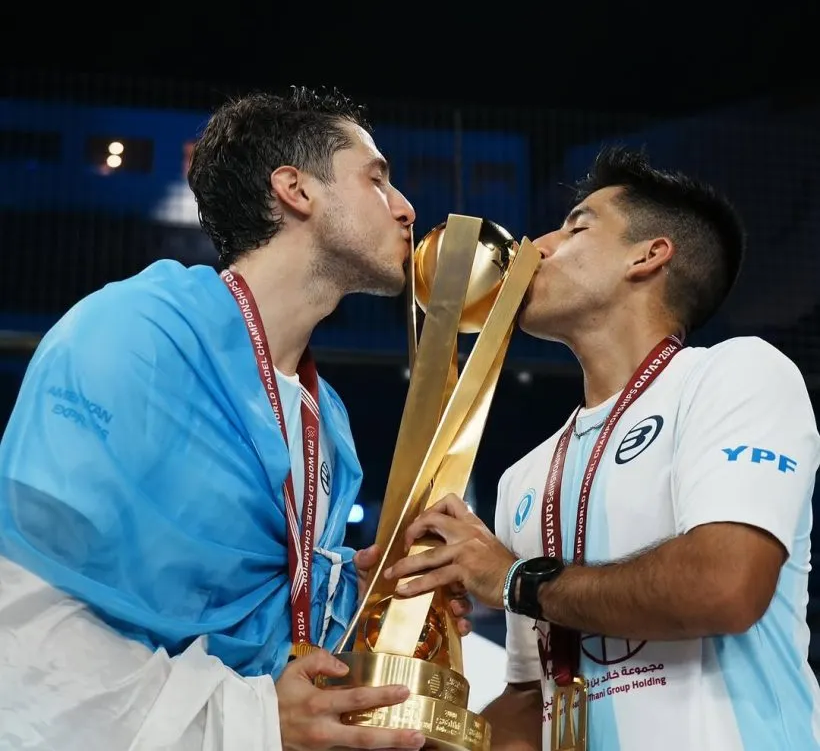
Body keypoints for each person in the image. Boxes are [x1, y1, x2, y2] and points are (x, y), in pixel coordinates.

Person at [0, 85, 469, 751]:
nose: (407, 209)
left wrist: (377, 603)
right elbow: (22, 609)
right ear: (295, 189)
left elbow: (272, 626)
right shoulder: (135, 336)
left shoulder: (324, 420)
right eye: (377, 180)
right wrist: (249, 719)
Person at [384, 144, 820, 750]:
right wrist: (414, 725)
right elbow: (535, 700)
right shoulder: (524, 477)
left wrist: (513, 578)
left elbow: (725, 584)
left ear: (648, 256)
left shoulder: (735, 375)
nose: (535, 246)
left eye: (575, 227)